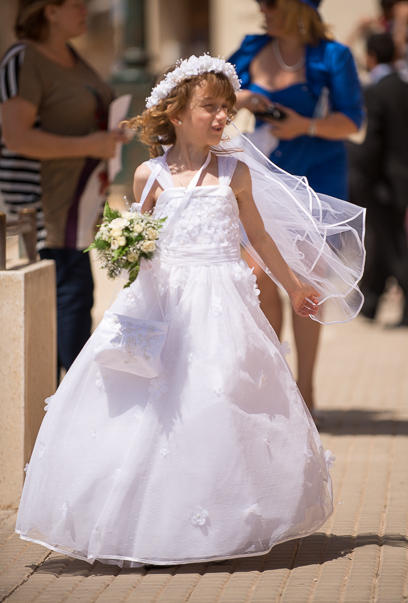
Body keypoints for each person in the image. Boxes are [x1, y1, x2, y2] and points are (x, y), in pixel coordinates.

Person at [16, 54, 365, 567]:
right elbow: (140, 241)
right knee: (153, 405)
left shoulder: (234, 172)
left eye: (227, 108)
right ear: (177, 114)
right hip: (165, 300)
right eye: (210, 107)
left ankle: (222, 520)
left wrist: (293, 287)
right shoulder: (149, 175)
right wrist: (126, 249)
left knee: (220, 392)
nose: (223, 116)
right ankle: (147, 523)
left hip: (223, 300)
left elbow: (260, 236)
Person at [228, 0, 365, 419]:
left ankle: (306, 389)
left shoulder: (333, 55)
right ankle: (279, 387)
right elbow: (212, 94)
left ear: (297, 4)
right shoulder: (251, 47)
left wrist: (304, 125)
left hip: (316, 181)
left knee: (307, 281)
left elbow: (352, 121)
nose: (262, 8)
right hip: (261, 179)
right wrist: (242, 97)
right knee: (260, 277)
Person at [0, 0, 125, 379]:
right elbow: (16, 137)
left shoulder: (72, 56)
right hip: (42, 212)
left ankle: (67, 400)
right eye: (75, 4)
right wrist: (89, 144)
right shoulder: (23, 59)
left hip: (78, 205)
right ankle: (62, 403)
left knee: (77, 301)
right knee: (64, 308)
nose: (85, 10)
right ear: (50, 12)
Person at [347, 33, 408, 326]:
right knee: (386, 239)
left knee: (395, 245)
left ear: (370, 57)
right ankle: (370, 304)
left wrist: (361, 171)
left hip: (383, 184)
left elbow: (373, 143)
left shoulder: (375, 92)